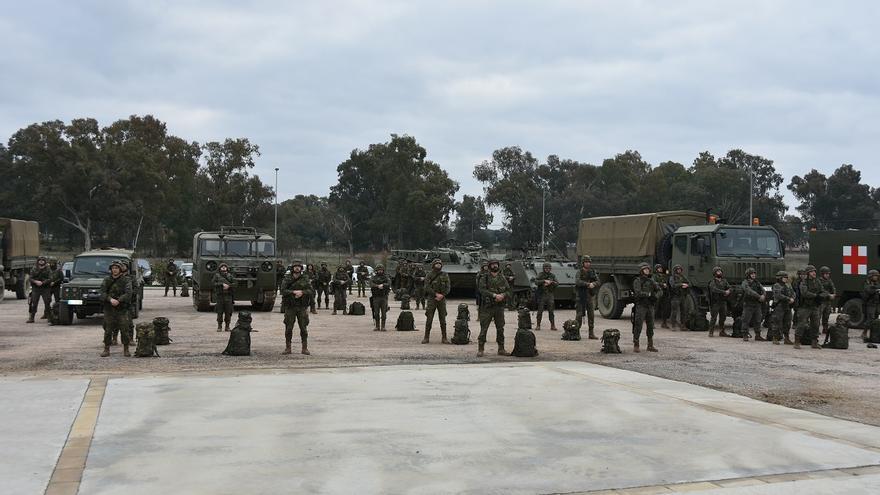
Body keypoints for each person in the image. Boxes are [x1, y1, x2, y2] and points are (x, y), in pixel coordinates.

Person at [477, 259, 512, 357]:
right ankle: (481, 349)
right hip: (487, 307)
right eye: (492, 265)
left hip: (499, 307)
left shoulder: (502, 278)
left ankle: (501, 348)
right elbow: (482, 290)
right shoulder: (485, 277)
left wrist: (503, 295)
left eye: (496, 264)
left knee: (500, 328)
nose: (494, 266)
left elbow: (509, 291)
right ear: (489, 266)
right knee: (484, 328)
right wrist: (494, 295)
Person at [99, 261, 132, 357]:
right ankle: (106, 348)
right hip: (109, 309)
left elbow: (128, 293)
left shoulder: (126, 280)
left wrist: (119, 300)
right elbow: (102, 292)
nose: (114, 270)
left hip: (122, 309)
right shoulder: (107, 280)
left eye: (116, 268)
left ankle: (126, 348)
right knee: (108, 329)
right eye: (113, 268)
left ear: (120, 269)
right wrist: (110, 299)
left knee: (124, 329)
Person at [280, 261, 313, 355]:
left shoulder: (305, 278)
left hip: (302, 306)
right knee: (288, 328)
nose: (297, 268)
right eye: (295, 267)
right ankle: (288, 347)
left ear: (301, 268)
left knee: (303, 328)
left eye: (299, 267)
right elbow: (283, 290)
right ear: (292, 268)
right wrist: (294, 292)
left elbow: (310, 290)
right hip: (290, 307)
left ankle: (304, 348)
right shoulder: (287, 278)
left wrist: (302, 292)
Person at [632, 263, 660, 352]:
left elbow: (659, 290)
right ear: (641, 271)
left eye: (648, 269)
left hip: (650, 306)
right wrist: (648, 294)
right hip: (641, 306)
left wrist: (656, 296)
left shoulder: (651, 281)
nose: (647, 270)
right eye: (645, 269)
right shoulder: (637, 281)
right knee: (638, 325)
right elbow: (637, 292)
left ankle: (650, 345)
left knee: (651, 325)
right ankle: (636, 344)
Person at [423, 258, 451, 344]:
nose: (438, 265)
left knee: (443, 319)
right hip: (432, 299)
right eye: (436, 264)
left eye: (440, 264)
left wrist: (442, 295)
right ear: (433, 265)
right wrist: (436, 294)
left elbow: (448, 287)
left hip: (442, 299)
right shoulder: (429, 275)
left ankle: (444, 337)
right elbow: (426, 287)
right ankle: (426, 337)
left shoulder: (445, 275)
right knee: (429, 319)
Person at [795, 265, 822, 349]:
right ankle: (797, 342)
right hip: (805, 307)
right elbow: (804, 293)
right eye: (811, 271)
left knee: (816, 324)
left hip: (815, 306)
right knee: (801, 324)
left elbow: (822, 290)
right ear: (808, 273)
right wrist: (816, 295)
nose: (814, 273)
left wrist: (824, 295)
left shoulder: (817, 281)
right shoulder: (804, 282)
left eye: (814, 271)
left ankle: (814, 342)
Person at [575, 256, 599, 339]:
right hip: (581, 296)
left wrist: (594, 284)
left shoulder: (592, 272)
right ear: (583, 263)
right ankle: (576, 332)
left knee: (591, 315)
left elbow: (598, 281)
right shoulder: (579, 272)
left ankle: (591, 333)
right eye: (586, 262)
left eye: (589, 262)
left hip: (590, 296)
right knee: (579, 315)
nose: (588, 263)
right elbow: (577, 282)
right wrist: (588, 284)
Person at [741, 267, 766, 341]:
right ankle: (745, 334)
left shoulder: (757, 282)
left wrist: (763, 296)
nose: (754, 275)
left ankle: (758, 335)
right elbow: (748, 291)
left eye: (754, 273)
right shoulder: (745, 282)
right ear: (748, 275)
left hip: (757, 304)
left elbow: (763, 289)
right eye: (752, 274)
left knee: (758, 320)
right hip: (748, 304)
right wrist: (759, 296)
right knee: (746, 320)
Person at [771, 271, 795, 345]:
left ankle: (786, 338)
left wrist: (792, 298)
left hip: (787, 306)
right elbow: (778, 295)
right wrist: (788, 299)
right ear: (780, 278)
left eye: (786, 277)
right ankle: (775, 338)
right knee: (777, 322)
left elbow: (793, 293)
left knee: (787, 322)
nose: (786, 279)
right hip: (779, 306)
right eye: (784, 277)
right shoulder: (776, 285)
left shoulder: (788, 285)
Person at [533, 262, 558, 331]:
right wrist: (544, 281)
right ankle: (538, 325)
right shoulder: (540, 275)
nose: (547, 269)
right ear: (543, 268)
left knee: (551, 311)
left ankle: (552, 325)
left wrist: (551, 282)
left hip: (550, 294)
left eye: (548, 268)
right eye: (546, 268)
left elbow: (557, 283)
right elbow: (536, 281)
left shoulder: (552, 275)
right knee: (540, 310)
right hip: (542, 294)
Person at [27, 256, 52, 323]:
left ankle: (49, 318)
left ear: (45, 261)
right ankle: (31, 318)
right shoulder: (34, 268)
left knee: (47, 303)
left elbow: (50, 278)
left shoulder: (48, 269)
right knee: (34, 303)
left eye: (42, 260)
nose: (41, 261)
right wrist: (36, 282)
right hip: (36, 288)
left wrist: (43, 282)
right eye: (40, 260)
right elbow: (30, 278)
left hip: (45, 288)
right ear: (37, 261)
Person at [708, 266, 732, 337]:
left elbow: (730, 287)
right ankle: (711, 331)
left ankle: (722, 331)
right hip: (716, 302)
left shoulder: (724, 281)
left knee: (723, 317)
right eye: (718, 271)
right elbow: (714, 289)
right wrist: (724, 292)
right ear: (715, 273)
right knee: (713, 317)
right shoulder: (712, 282)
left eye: (720, 271)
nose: (720, 272)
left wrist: (729, 290)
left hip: (723, 302)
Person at [213, 262, 236, 332]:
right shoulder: (217, 276)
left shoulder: (230, 276)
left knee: (228, 312)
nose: (223, 267)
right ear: (219, 268)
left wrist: (229, 286)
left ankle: (227, 326)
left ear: (227, 268)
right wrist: (221, 284)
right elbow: (213, 283)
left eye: (224, 266)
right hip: (220, 296)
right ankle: (219, 326)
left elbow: (235, 284)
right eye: (222, 266)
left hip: (228, 296)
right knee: (219, 312)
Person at [370, 264, 392, 331]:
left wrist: (383, 285)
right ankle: (377, 326)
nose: (380, 271)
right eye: (379, 270)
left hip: (384, 297)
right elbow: (371, 284)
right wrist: (377, 286)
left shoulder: (386, 277)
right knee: (376, 313)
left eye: (381, 270)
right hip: (376, 297)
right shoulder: (374, 277)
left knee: (384, 313)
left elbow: (389, 283)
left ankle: (383, 326)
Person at [668, 264, 690, 330]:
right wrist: (681, 284)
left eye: (680, 269)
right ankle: (673, 325)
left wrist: (687, 285)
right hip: (675, 296)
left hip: (682, 296)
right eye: (677, 269)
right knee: (674, 311)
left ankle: (683, 325)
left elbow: (689, 283)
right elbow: (673, 285)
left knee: (684, 311)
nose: (679, 271)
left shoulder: (683, 277)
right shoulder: (672, 277)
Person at [818, 266, 837, 335]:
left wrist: (834, 294)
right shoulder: (819, 281)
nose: (827, 275)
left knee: (826, 316)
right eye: (826, 274)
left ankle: (825, 329)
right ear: (822, 274)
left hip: (828, 301)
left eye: (828, 274)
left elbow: (833, 287)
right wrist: (829, 295)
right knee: (818, 316)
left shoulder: (829, 280)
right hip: (822, 301)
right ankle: (816, 329)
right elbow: (821, 290)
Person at [863, 269, 880, 341]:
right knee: (870, 319)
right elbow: (868, 290)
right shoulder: (867, 283)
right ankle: (864, 332)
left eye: (877, 276)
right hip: (870, 303)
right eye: (874, 276)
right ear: (871, 276)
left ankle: (873, 334)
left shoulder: (877, 283)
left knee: (875, 319)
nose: (876, 277)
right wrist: (876, 290)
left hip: (877, 303)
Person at [653, 264, 670, 329]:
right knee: (655, 309)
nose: (660, 269)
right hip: (658, 293)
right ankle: (652, 323)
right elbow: (654, 283)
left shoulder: (663, 276)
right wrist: (662, 284)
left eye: (661, 268)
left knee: (665, 309)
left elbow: (667, 281)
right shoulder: (654, 276)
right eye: (659, 268)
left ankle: (664, 323)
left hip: (664, 294)